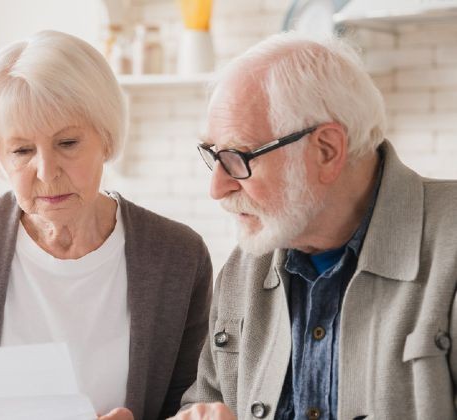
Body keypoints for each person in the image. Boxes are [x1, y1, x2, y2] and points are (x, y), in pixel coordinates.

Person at [0, 30, 212, 420]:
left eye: (67, 143)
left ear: (106, 138)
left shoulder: (178, 255)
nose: (46, 172)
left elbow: (194, 402)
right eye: (22, 150)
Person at [173, 31, 457, 419]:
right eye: (213, 155)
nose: (217, 188)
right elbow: (205, 401)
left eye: (238, 157)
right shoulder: (244, 269)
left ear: (326, 150)